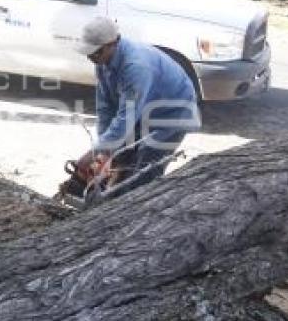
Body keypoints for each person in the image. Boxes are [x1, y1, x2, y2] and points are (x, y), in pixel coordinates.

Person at [75, 17, 200, 194]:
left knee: (144, 171)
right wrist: (104, 150)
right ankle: (111, 197)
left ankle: (138, 205)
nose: (91, 57)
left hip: (172, 112)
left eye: (96, 52)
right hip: (143, 108)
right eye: (89, 53)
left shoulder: (136, 67)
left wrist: (95, 151)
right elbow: (105, 107)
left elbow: (127, 117)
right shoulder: (102, 61)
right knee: (122, 159)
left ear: (114, 43)